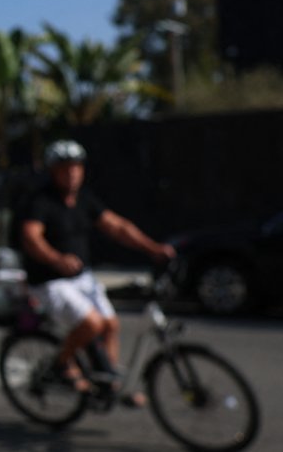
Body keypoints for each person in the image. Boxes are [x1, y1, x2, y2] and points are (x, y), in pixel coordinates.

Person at [20, 140, 175, 398]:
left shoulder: (84, 199)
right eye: (65, 168)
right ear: (53, 171)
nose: (72, 173)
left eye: (76, 167)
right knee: (91, 324)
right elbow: (31, 237)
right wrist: (56, 259)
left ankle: (107, 383)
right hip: (49, 280)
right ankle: (60, 366)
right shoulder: (40, 201)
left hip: (80, 277)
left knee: (110, 324)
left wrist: (153, 248)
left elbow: (117, 227)